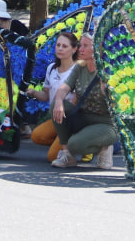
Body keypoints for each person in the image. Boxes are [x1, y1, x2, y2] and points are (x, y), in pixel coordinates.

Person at [49, 32, 118, 169]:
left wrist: (108, 92)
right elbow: (64, 88)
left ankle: (104, 148)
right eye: (81, 45)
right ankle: (67, 155)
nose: (80, 49)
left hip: (106, 123)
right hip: (82, 117)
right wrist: (58, 102)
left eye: (85, 46)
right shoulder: (80, 66)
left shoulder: (108, 70)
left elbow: (119, 104)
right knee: (56, 104)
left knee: (75, 144)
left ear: (97, 48)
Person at [30, 31, 81, 160]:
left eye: (64, 46)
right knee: (36, 136)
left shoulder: (78, 70)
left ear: (74, 49)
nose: (60, 48)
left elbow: (76, 102)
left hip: (70, 119)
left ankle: (79, 145)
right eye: (58, 45)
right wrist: (33, 92)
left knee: (52, 156)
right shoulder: (51, 68)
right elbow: (46, 96)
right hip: (55, 118)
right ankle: (67, 144)